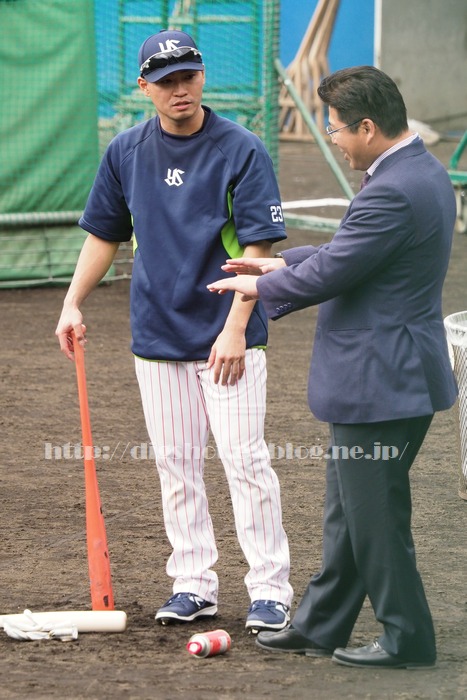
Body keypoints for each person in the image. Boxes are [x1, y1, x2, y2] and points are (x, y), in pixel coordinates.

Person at [208, 65, 457, 667]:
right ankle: (321, 625)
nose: (335, 140)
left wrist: (261, 290)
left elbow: (335, 270)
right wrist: (279, 263)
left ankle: (407, 638)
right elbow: (354, 248)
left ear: (368, 127)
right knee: (349, 512)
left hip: (381, 378)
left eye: (337, 130)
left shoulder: (392, 189)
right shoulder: (417, 171)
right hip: (394, 373)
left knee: (374, 516)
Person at [55, 29, 293, 632]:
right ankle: (193, 584)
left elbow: (259, 247)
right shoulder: (126, 152)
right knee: (176, 465)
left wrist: (237, 327)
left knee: (246, 462)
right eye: (164, 81)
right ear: (144, 88)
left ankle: (269, 588)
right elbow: (104, 233)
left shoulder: (241, 148)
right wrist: (72, 302)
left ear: (203, 76)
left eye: (187, 76)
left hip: (226, 334)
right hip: (157, 334)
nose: (178, 89)